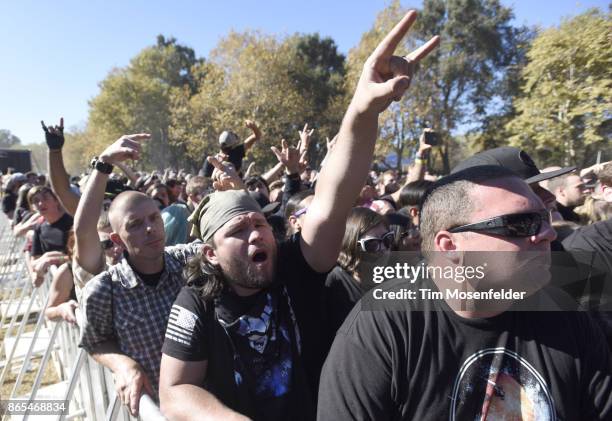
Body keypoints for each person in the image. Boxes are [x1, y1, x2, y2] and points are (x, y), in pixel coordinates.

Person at [158, 12, 440, 421]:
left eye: (259, 224)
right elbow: (176, 390)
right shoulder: (197, 300)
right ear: (212, 253)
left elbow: (331, 197)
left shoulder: (295, 266)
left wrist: (362, 111)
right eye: (238, 230)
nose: (257, 235)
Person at [318, 165, 612, 420]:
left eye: (545, 218)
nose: (547, 234)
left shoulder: (567, 315)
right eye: (521, 224)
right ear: (450, 246)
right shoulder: (384, 327)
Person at [78, 134, 202, 417]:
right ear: (116, 239)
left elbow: (224, 246)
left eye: (154, 218)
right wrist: (122, 364)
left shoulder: (188, 261)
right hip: (155, 409)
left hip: (207, 401)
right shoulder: (103, 291)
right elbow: (95, 341)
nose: (149, 229)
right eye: (134, 224)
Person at [323, 207, 393, 341]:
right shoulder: (335, 284)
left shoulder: (396, 277)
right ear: (350, 245)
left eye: (387, 239)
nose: (383, 248)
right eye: (372, 244)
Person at [27, 185, 73, 286]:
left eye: (45, 198)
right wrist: (36, 272)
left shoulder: (72, 223)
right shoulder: (39, 227)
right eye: (36, 200)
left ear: (56, 200)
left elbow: (80, 257)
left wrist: (52, 259)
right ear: (32, 207)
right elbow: (34, 260)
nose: (41, 203)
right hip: (58, 282)